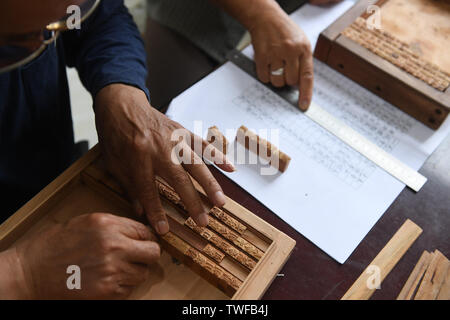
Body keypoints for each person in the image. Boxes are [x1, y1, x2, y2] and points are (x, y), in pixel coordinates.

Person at [0, 0, 339, 299]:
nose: (48, 43)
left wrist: (121, 91)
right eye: (18, 44)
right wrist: (22, 272)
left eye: (53, 28)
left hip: (52, 177)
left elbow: (97, 18)